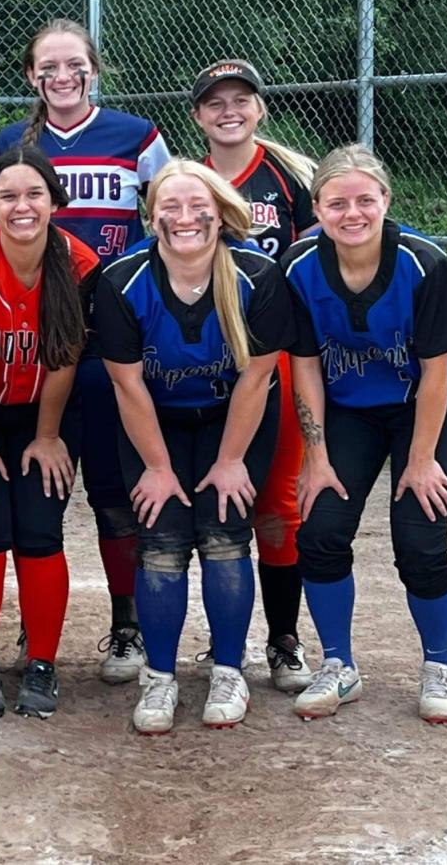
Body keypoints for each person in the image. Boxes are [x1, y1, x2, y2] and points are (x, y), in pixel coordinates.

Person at [0, 19, 171, 684]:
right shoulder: (15, 141)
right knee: (29, 489)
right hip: (31, 337)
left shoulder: (137, 135)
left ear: (94, 67)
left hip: (110, 331)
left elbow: (165, 221)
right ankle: (32, 622)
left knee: (112, 490)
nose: (61, 76)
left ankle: (126, 624)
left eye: (74, 64)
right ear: (30, 75)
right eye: (48, 66)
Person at [94, 160, 294, 733]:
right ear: (151, 217)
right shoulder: (122, 281)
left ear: (221, 212)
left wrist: (231, 461)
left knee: (226, 534)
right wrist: (157, 467)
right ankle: (159, 676)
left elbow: (257, 379)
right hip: (154, 420)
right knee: (160, 539)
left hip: (232, 420)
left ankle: (228, 669)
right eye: (170, 207)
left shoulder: (256, 274)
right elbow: (127, 384)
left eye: (197, 205)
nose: (185, 218)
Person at [281, 144, 447, 724]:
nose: (353, 212)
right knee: (319, 530)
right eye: (337, 202)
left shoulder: (423, 262)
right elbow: (306, 365)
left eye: (366, 199)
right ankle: (339, 665)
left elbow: (438, 369)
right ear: (317, 208)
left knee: (419, 534)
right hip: (350, 409)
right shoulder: (298, 266)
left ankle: (439, 664)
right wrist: (316, 457)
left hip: (425, 404)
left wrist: (420, 460)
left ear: (386, 201)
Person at [0, 145, 100, 719]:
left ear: (55, 200)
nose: (21, 205)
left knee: (39, 527)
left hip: (45, 412)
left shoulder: (78, 264)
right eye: (8, 196)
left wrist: (49, 434)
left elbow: (64, 357)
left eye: (34, 193)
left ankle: (43, 662)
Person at [189, 58, 319, 692]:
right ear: (198, 116)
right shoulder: (190, 181)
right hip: (209, 356)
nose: (229, 111)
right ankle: (226, 638)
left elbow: (321, 255)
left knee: (277, 503)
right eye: (215, 103)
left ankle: (285, 638)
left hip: (277, 350)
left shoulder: (289, 175)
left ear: (260, 107)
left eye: (241, 99)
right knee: (221, 497)